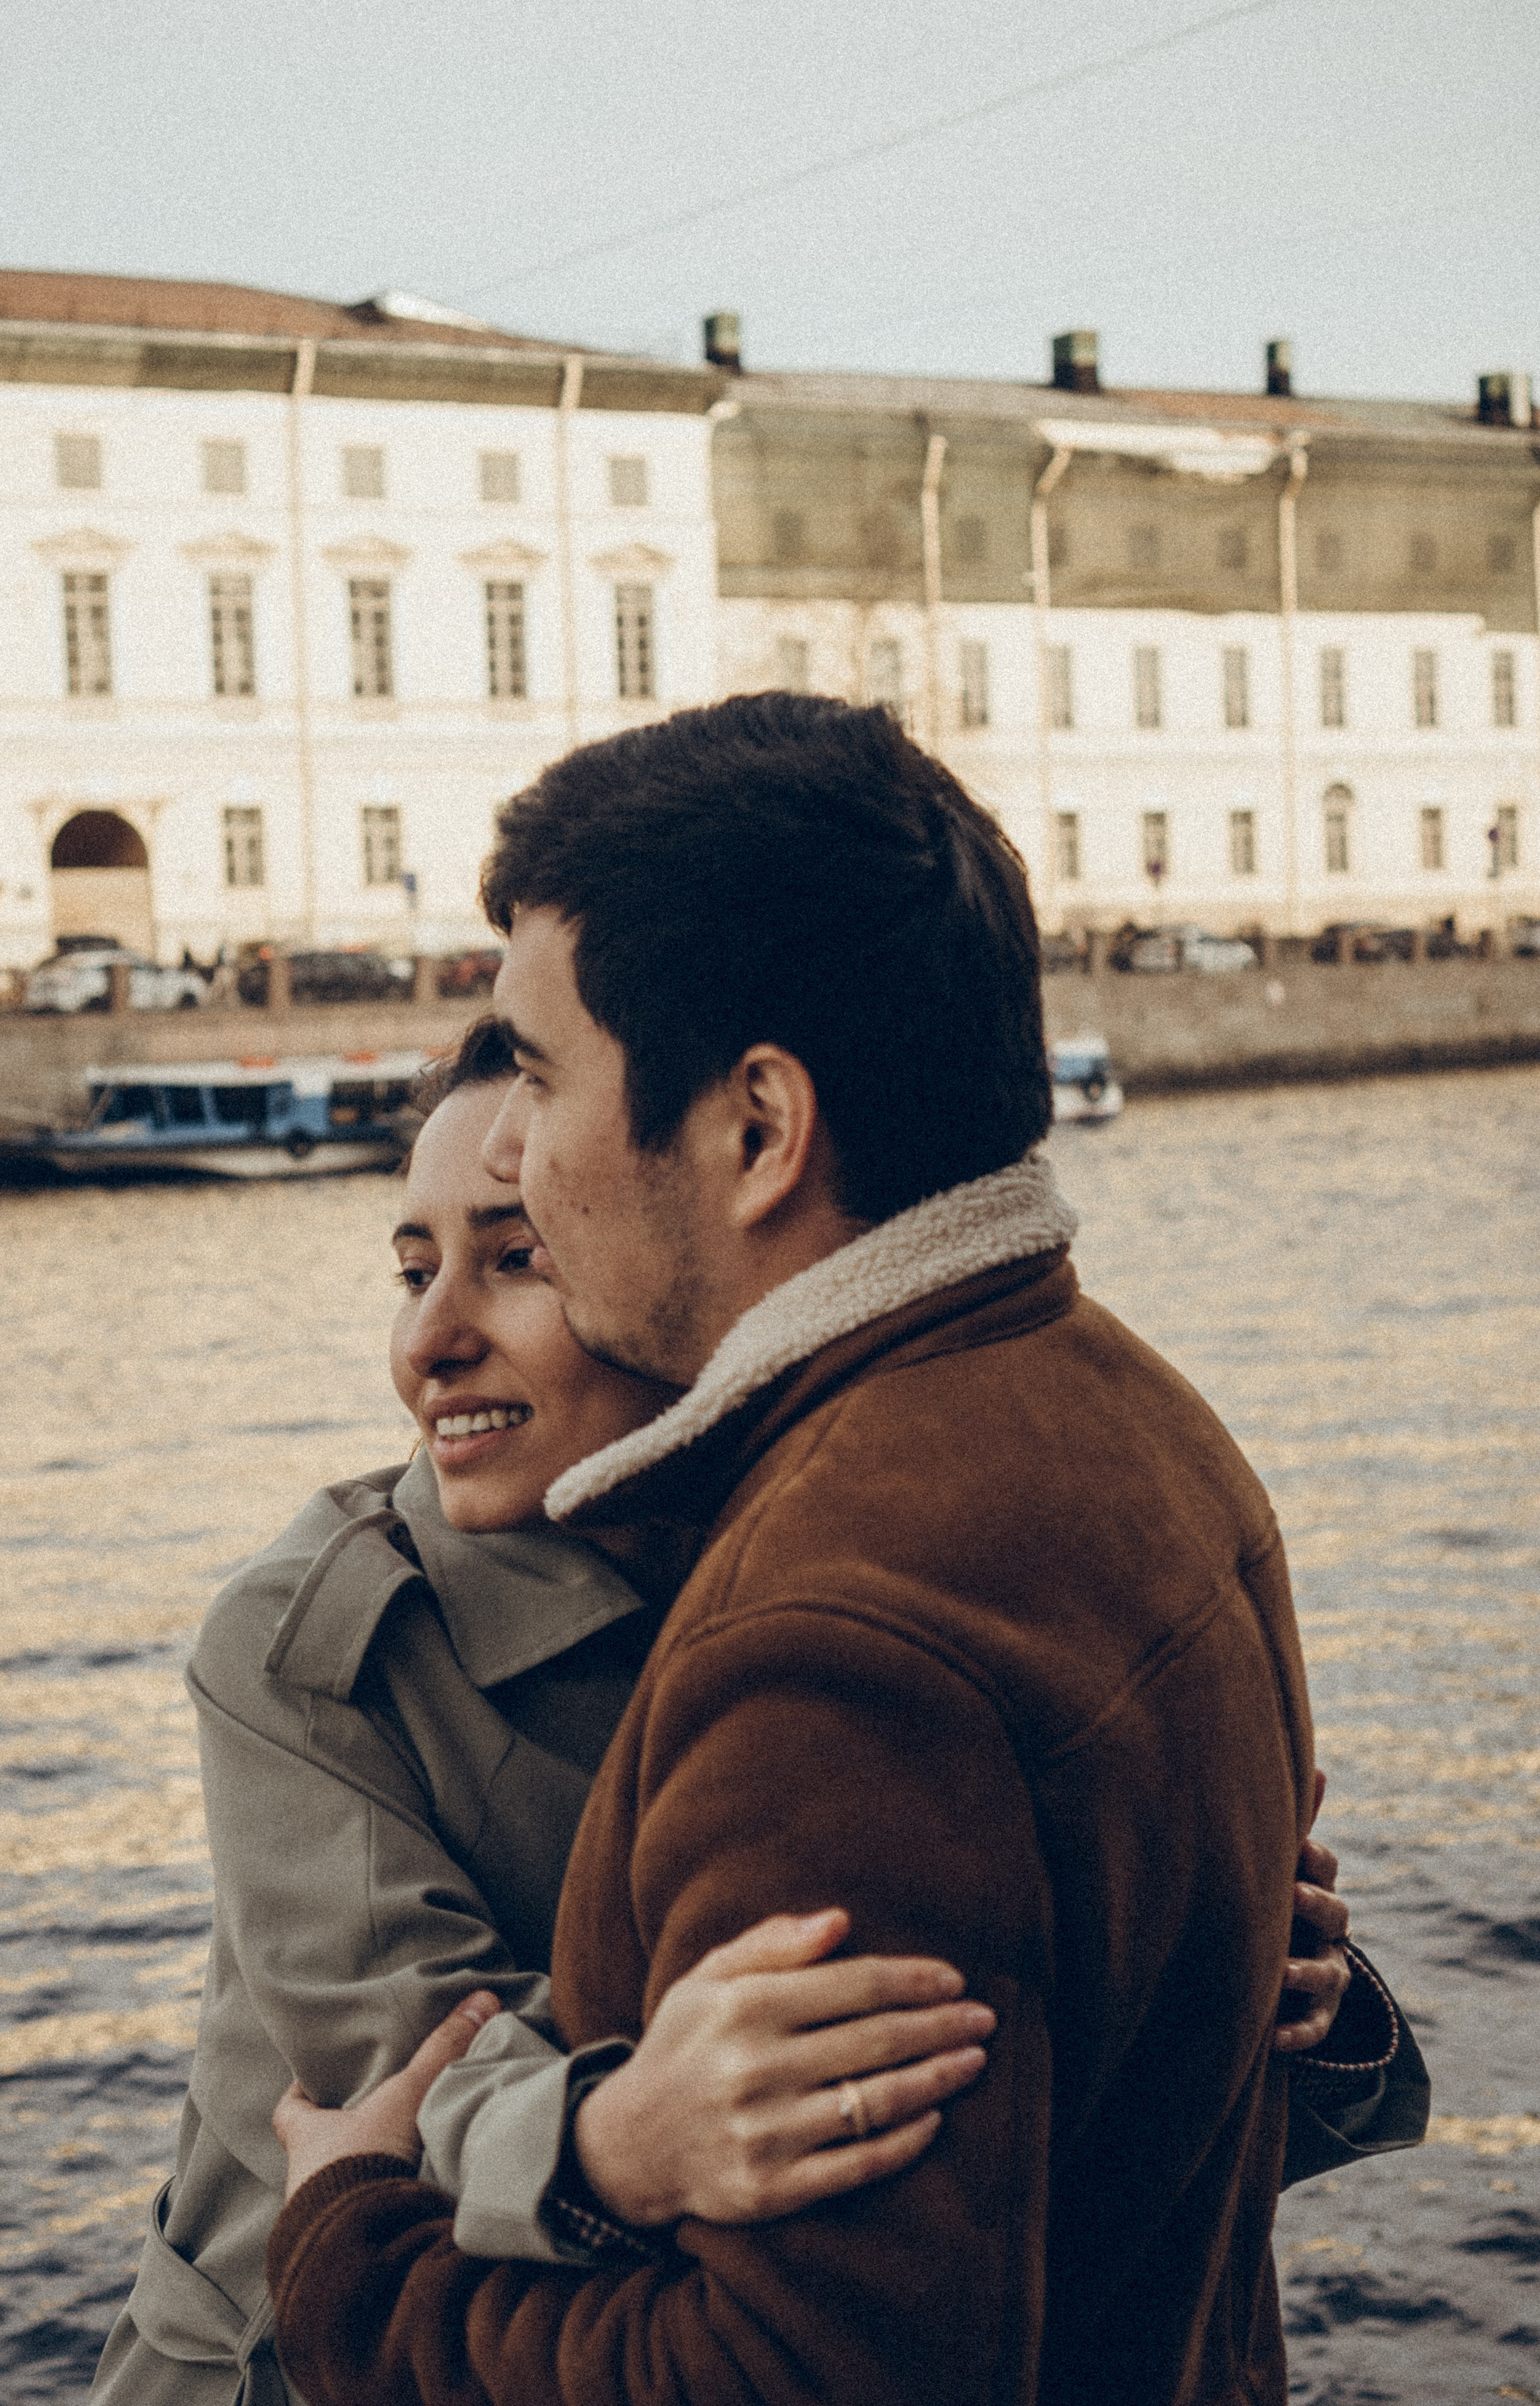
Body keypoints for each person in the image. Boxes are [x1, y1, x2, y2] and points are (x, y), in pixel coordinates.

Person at [264, 694, 1427, 2406]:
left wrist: (355, 2262)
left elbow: (789, 2377)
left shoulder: (832, 1641)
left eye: (544, 1068)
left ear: (757, 1128)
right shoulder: (1140, 1417)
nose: (510, 1140)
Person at [88, 1021, 1015, 2406]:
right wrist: (613, 2140)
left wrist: (1236, 1974)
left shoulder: (828, 1580)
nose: (429, 1341)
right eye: (412, 1271)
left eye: (513, 1258)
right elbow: (405, 2091)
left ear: (665, 1271)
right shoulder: (306, 1647)